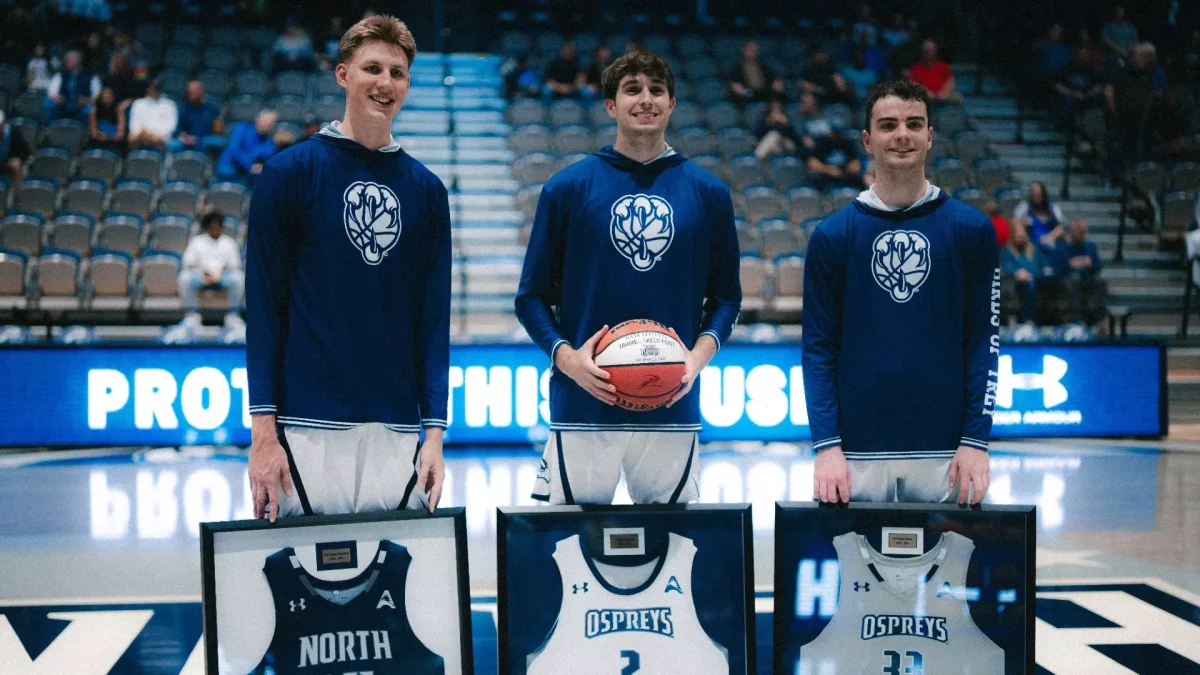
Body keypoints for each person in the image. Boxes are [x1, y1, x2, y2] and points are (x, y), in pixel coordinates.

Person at [245, 15, 451, 522]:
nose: (385, 83)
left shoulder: (427, 191)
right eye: (372, 68)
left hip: (397, 428)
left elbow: (433, 322)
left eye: (398, 73)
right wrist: (263, 437)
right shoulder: (288, 175)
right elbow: (265, 311)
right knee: (307, 591)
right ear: (342, 74)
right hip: (308, 425)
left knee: (396, 593)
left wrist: (434, 437)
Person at [515, 51, 742, 505]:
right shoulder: (566, 189)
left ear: (672, 103)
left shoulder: (710, 194)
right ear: (610, 105)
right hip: (582, 403)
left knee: (670, 551)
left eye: (657, 90)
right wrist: (567, 360)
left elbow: (726, 299)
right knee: (570, 548)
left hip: (672, 408)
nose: (646, 100)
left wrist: (695, 360)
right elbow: (531, 297)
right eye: (632, 89)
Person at [802, 80, 999, 505]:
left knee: (948, 572)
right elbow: (818, 350)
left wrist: (975, 441)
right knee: (856, 574)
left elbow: (985, 341)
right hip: (854, 453)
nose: (902, 135)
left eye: (914, 123)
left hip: (946, 451)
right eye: (888, 125)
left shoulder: (972, 230)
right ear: (868, 140)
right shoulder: (832, 236)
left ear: (930, 135)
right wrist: (826, 446)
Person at [179, 211, 244, 329]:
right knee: (184, 277)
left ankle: (233, 315)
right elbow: (187, 262)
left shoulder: (229, 242)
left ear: (222, 226)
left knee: (239, 277)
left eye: (218, 225)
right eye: (212, 226)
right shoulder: (197, 241)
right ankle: (191, 315)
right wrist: (204, 273)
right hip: (201, 276)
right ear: (208, 227)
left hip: (223, 277)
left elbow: (235, 264)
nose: (215, 228)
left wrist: (219, 273)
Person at [1001, 222, 1054, 324]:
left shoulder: (1034, 247)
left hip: (1037, 278)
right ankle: (1028, 320)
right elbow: (1006, 267)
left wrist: (1046, 269)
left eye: (1022, 235)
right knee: (1028, 285)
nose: (1020, 237)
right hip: (1016, 282)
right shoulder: (1007, 250)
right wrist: (1017, 273)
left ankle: (1049, 321)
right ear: (1012, 236)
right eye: (1018, 235)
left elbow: (1044, 265)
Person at [215, 109, 280, 182]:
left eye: (272, 121)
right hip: (228, 168)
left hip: (246, 175)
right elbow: (233, 149)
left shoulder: (269, 144)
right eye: (266, 119)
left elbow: (267, 160)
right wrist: (250, 166)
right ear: (257, 118)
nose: (268, 123)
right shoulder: (242, 128)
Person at [1012, 182, 1066, 250]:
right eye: (1034, 194)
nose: (1036, 197)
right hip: (1031, 245)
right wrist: (1021, 224)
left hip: (1050, 243)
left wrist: (1049, 237)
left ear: (1043, 194)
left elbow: (1060, 229)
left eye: (1038, 194)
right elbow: (1014, 222)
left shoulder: (1054, 208)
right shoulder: (1024, 206)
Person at [127, 79, 178, 149]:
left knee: (162, 140)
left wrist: (156, 135)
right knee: (131, 137)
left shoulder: (170, 104)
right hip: (141, 135)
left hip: (161, 137)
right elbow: (133, 125)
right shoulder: (138, 104)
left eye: (157, 88)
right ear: (148, 89)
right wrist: (144, 134)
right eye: (153, 88)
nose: (155, 90)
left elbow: (171, 126)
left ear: (161, 89)